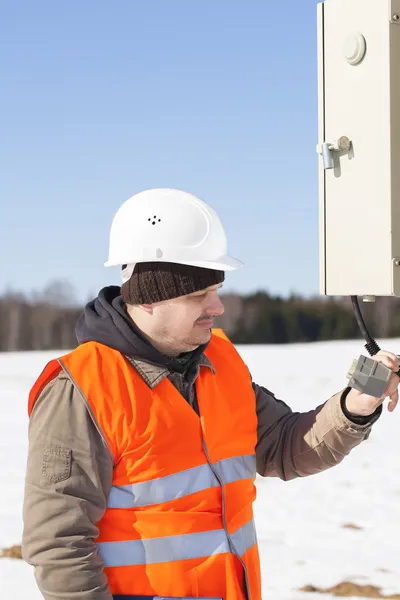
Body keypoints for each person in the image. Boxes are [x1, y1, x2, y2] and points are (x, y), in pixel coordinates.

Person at [22, 188, 399, 600]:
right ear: (149, 298)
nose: (217, 307)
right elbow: (60, 543)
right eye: (198, 295)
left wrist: (354, 407)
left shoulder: (219, 360)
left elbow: (284, 447)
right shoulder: (81, 389)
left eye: (216, 289)